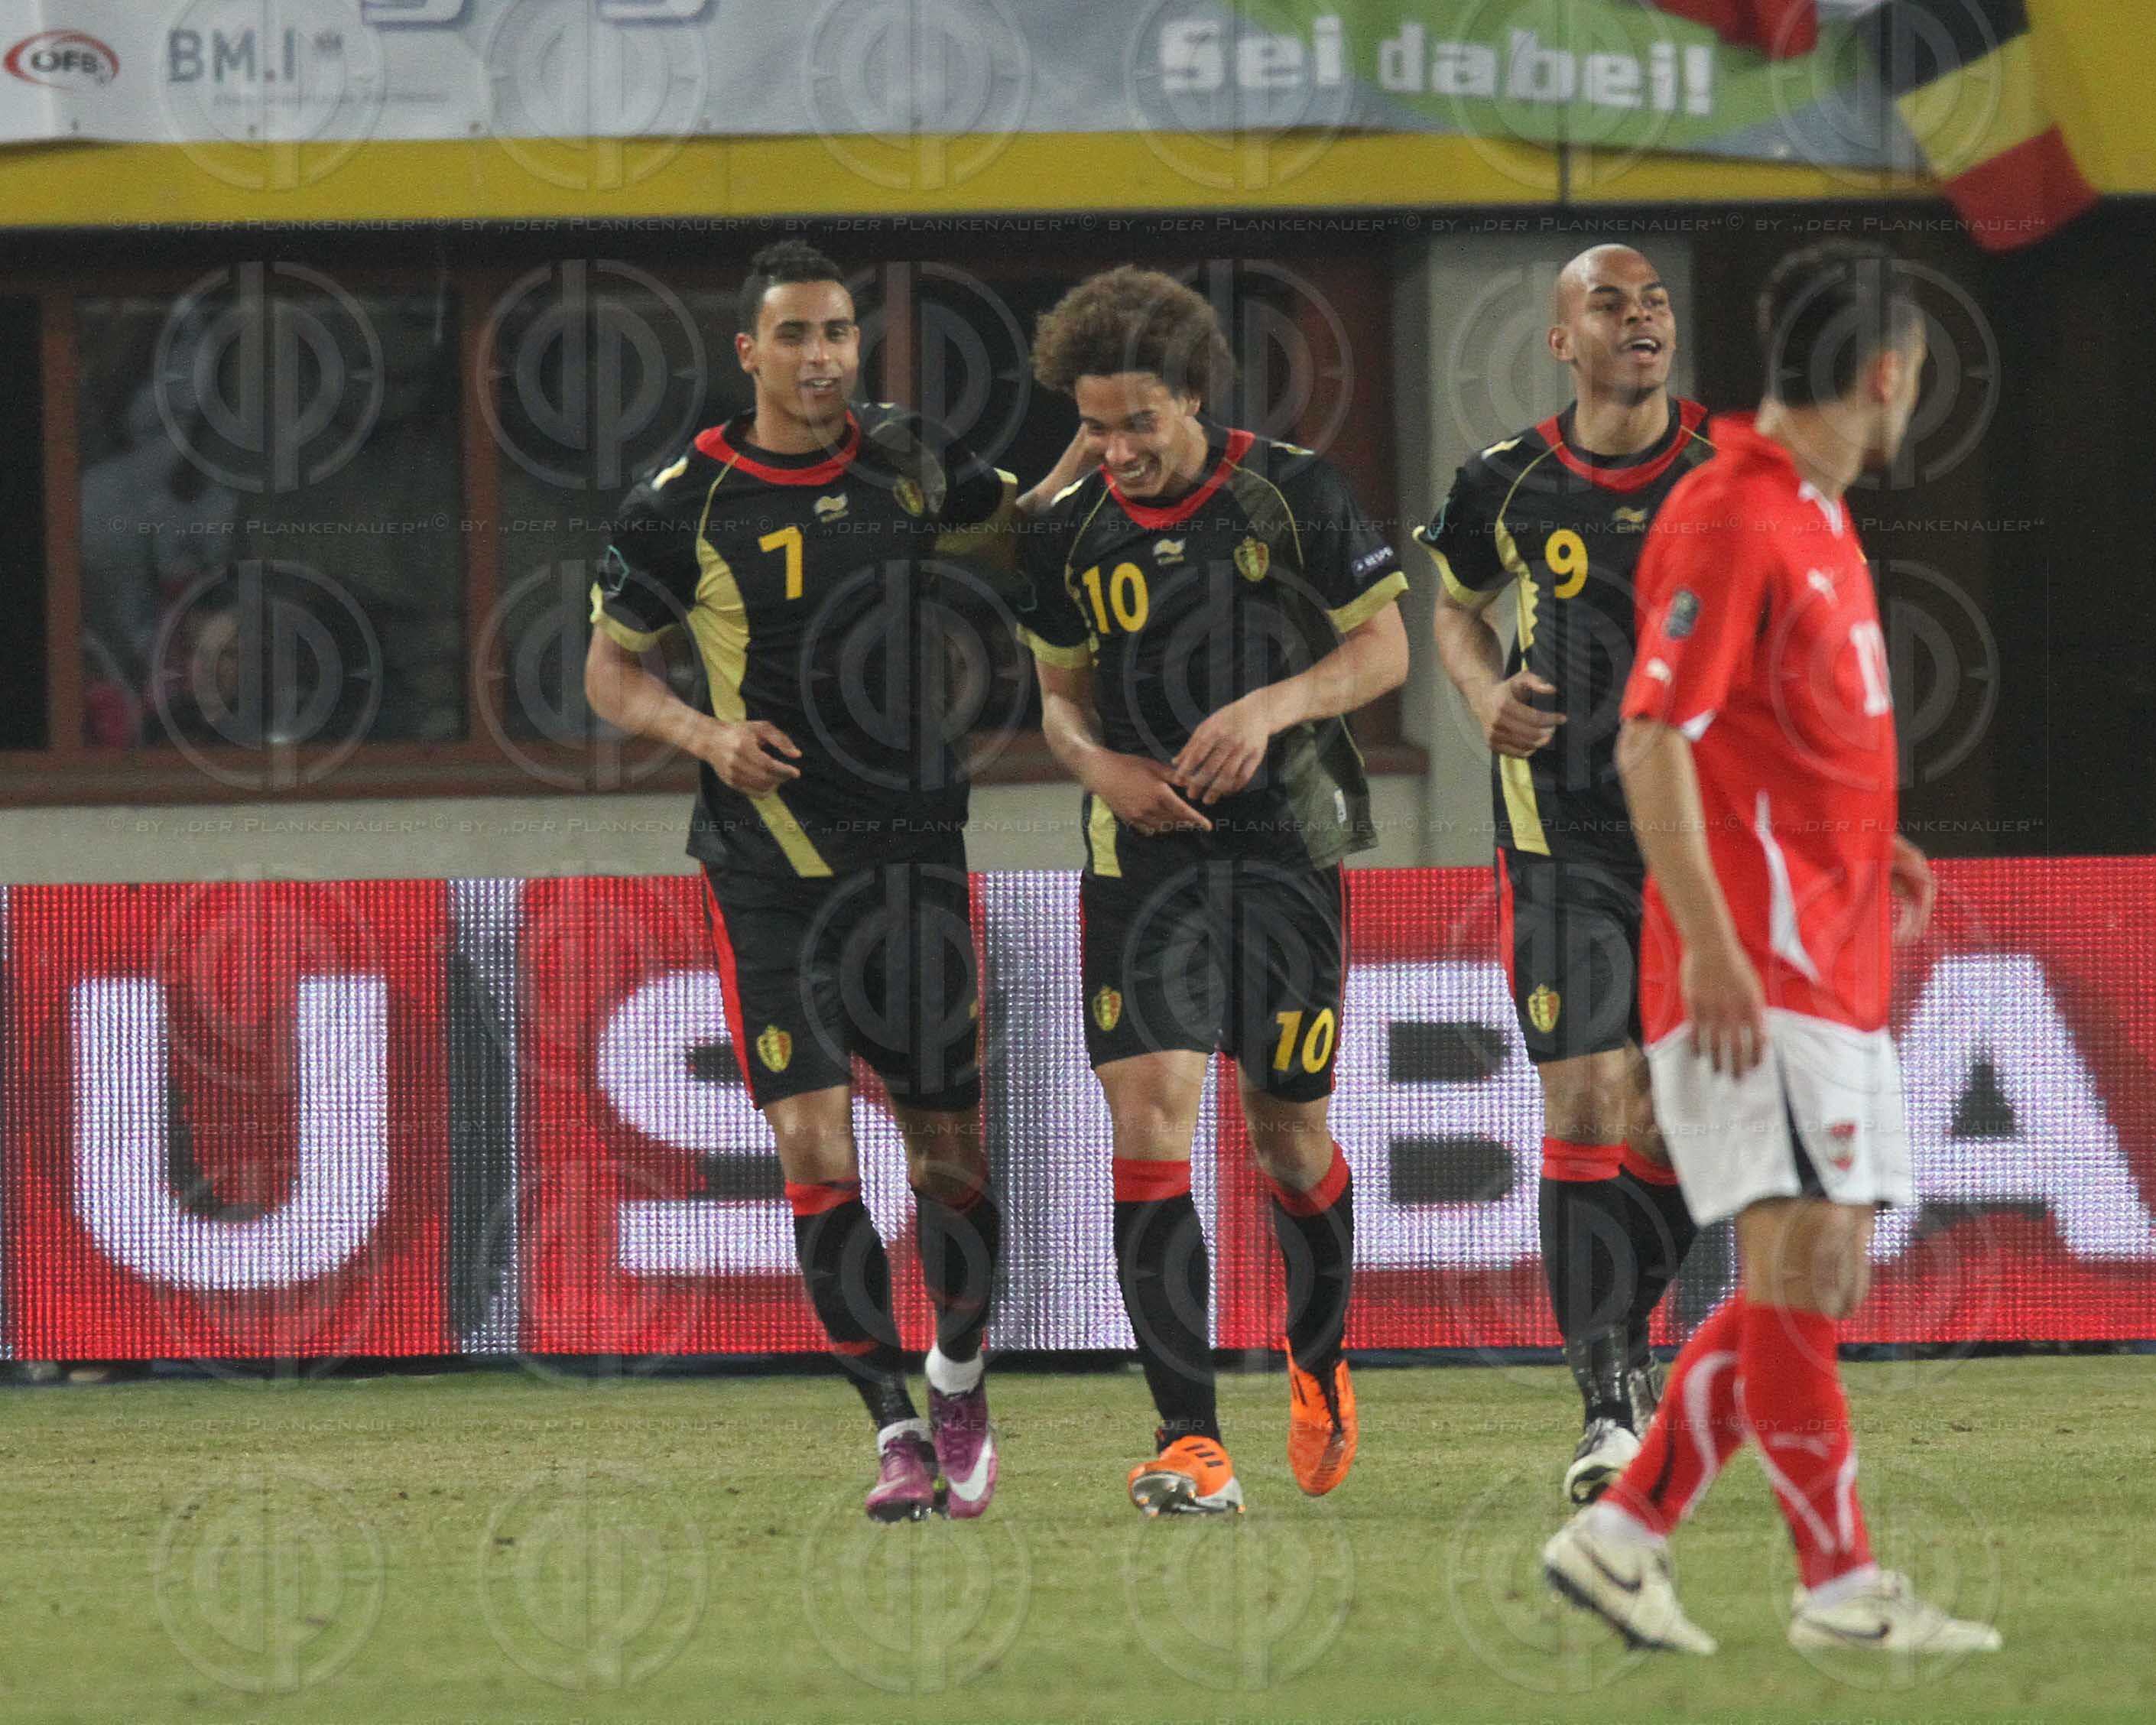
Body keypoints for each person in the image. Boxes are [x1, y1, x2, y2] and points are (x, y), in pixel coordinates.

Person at [1542, 241, 2001, 1655]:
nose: (1911, 404)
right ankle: (1840, 1586)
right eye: (1914, 380)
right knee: (1802, 1265)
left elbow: (1772, 737)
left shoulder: (1815, 510)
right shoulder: (1732, 512)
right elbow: (1651, 739)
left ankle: (1625, 1536)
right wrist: (1720, 949)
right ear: (1881, 374)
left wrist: (1870, 841)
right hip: (1764, 975)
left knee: (1823, 1271)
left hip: (1831, 952)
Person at [583, 239, 1082, 1522]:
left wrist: (1105, 453)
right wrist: (708, 737)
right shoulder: (677, 501)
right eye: (795, 336)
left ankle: (960, 1375)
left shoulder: (908, 456)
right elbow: (610, 672)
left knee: (947, 1154)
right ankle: (896, 1431)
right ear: (748, 353)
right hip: (767, 870)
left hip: (911, 853)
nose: (821, 359)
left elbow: (1009, 535)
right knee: (813, 1145)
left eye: (840, 335)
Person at [1018, 265, 1409, 1514]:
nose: (1118, 449)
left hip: (1286, 850)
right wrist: (1103, 770)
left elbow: (1385, 648)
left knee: (1288, 1139)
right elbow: (1058, 707)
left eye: (1140, 422)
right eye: (1095, 425)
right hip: (1144, 861)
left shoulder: (1288, 490)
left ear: (1193, 396)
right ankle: (1189, 1437)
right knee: (1150, 1122)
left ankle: (1321, 1360)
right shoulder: (1066, 529)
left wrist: (1271, 705)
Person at [1421, 244, 1712, 1503]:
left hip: (1700, 844)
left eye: (1652, 305)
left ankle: (1617, 1329)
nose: (1639, 321)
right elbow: (1447, 606)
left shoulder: (1731, 470)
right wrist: (1483, 692)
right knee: (1586, 1105)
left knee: (1684, 1122)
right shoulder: (1507, 482)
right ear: (1561, 341)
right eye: (1610, 305)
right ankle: (1604, 1399)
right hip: (1561, 842)